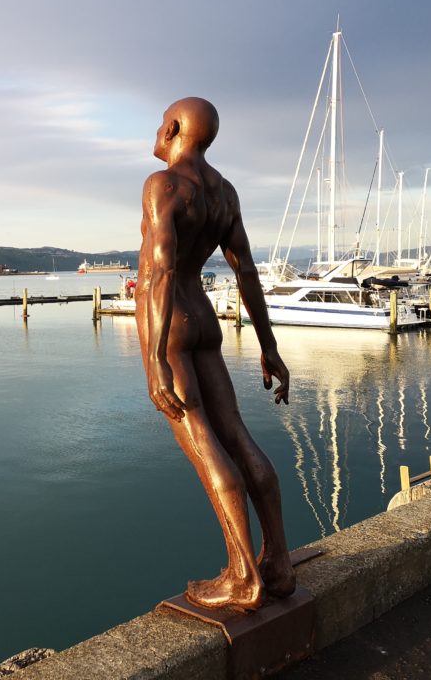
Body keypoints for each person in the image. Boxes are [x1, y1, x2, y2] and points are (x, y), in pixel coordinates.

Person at [135, 97, 295, 611]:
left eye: (163, 125)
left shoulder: (162, 186)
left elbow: (160, 271)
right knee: (238, 436)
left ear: (177, 128)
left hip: (172, 327)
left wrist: (157, 357)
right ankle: (278, 563)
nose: (158, 133)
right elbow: (245, 272)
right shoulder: (224, 193)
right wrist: (269, 347)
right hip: (205, 319)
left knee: (206, 445)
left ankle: (243, 577)